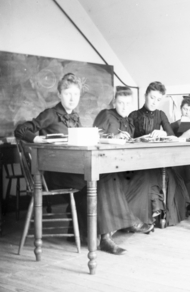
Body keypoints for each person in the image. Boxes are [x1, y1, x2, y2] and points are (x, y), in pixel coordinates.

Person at [14, 74, 150, 256]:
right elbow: (20, 130)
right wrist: (37, 138)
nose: (72, 98)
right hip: (56, 174)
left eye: (76, 94)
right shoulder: (50, 114)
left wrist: (106, 139)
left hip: (73, 169)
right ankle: (106, 237)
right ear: (59, 94)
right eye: (68, 93)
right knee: (99, 179)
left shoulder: (75, 117)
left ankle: (103, 232)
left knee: (107, 175)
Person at [123, 81, 190, 226]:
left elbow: (172, 137)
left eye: (158, 99)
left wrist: (163, 132)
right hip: (137, 161)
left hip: (157, 160)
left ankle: (155, 212)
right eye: (152, 97)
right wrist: (138, 139)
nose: (154, 102)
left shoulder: (161, 115)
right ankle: (153, 211)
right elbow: (127, 140)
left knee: (165, 174)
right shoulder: (133, 115)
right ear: (145, 95)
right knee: (149, 174)